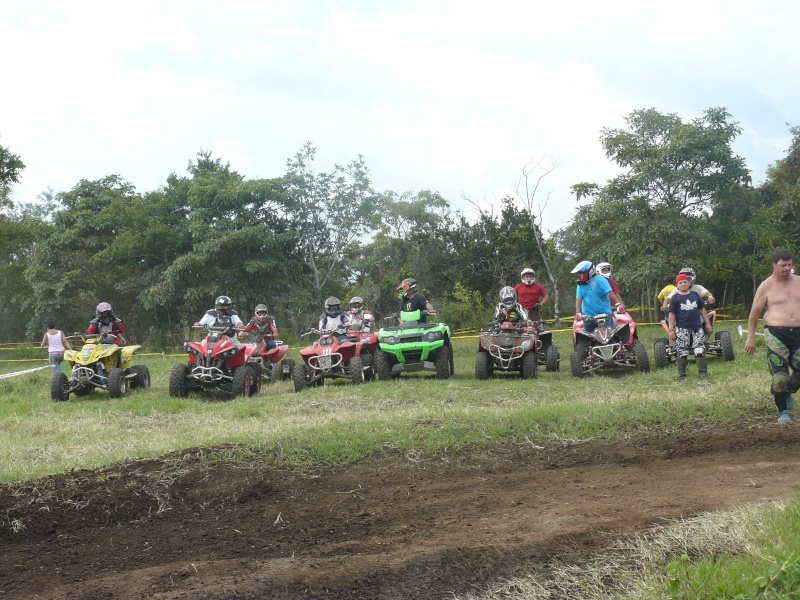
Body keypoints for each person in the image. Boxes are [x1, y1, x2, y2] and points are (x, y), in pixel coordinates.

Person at [745, 249, 800, 423]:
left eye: (789, 265)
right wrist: (751, 337)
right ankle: (783, 411)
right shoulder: (766, 286)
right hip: (776, 333)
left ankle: (788, 391)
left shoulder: (799, 282)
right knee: (780, 376)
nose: (786, 268)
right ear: (774, 265)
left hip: (798, 332)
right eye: (782, 265)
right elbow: (754, 313)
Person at [667, 273, 713, 382]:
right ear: (677, 285)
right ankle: (682, 375)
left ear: (689, 283)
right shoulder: (675, 298)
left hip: (697, 328)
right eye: (680, 282)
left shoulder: (695, 295)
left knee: (699, 351)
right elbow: (671, 315)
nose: (683, 284)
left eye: (685, 282)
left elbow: (702, 310)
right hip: (682, 329)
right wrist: (671, 329)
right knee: (682, 352)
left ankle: (703, 373)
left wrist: (707, 323)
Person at [572, 260, 616, 333]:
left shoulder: (600, 280)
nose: (579, 275)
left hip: (605, 316)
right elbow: (578, 299)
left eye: (581, 273)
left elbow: (610, 293)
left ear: (588, 272)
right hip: (589, 318)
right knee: (587, 339)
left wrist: (618, 305)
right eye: (579, 273)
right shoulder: (580, 285)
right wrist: (578, 312)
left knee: (613, 335)